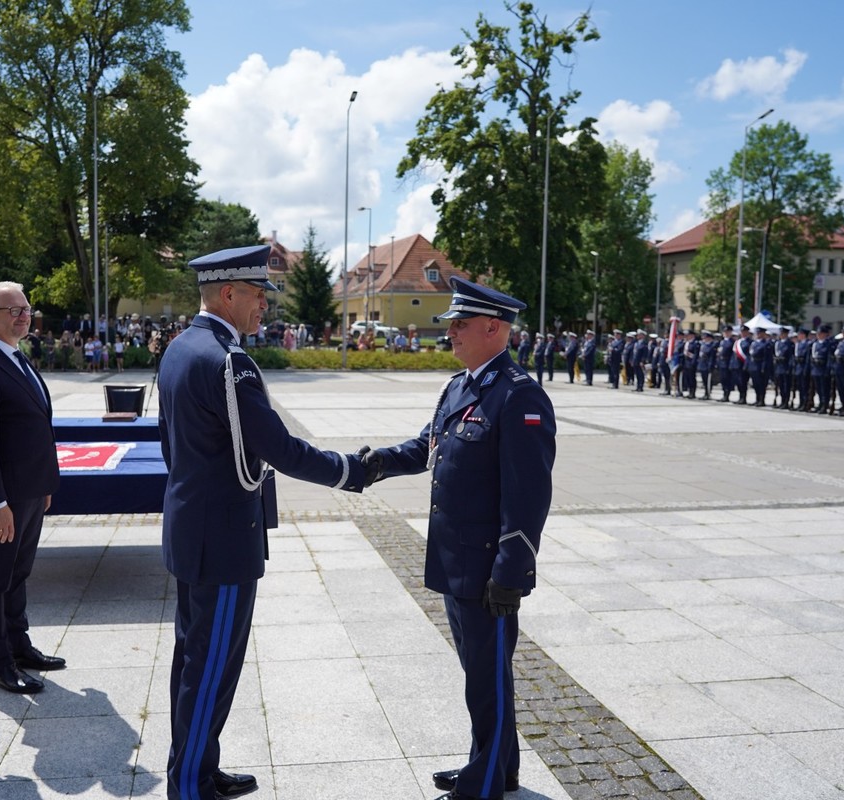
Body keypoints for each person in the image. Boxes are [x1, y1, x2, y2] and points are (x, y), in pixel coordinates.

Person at [159, 244, 368, 800]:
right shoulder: (229, 360)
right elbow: (278, 447)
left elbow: (170, 445)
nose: (264, 306)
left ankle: (196, 765)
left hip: (192, 528)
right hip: (224, 538)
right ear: (228, 293)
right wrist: (349, 470)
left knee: (194, 660)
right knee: (211, 667)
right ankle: (189, 785)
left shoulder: (180, 348)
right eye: (257, 295)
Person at [360, 277, 556, 800]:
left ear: (494, 328)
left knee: (488, 678)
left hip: (489, 567)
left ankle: (483, 784)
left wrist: (511, 571)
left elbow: (528, 495)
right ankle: (496, 767)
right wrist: (380, 461)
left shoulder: (518, 395)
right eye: (451, 323)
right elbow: (428, 446)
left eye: (461, 324)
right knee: (481, 672)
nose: (450, 332)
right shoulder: (460, 387)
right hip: (456, 560)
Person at [0, 282, 64, 696]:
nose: (24, 316)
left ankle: (19, 646)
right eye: (14, 310)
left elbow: (35, 424)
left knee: (19, 573)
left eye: (26, 309)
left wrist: (43, 484)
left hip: (30, 489)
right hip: (6, 497)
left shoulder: (16, 356)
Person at [810, 325, 835, 414]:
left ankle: (825, 405)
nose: (819, 335)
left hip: (823, 369)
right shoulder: (815, 344)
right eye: (818, 333)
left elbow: (829, 358)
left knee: (825, 389)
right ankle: (821, 404)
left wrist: (828, 370)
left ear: (825, 334)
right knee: (819, 389)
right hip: (816, 369)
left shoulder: (828, 344)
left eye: (821, 333)